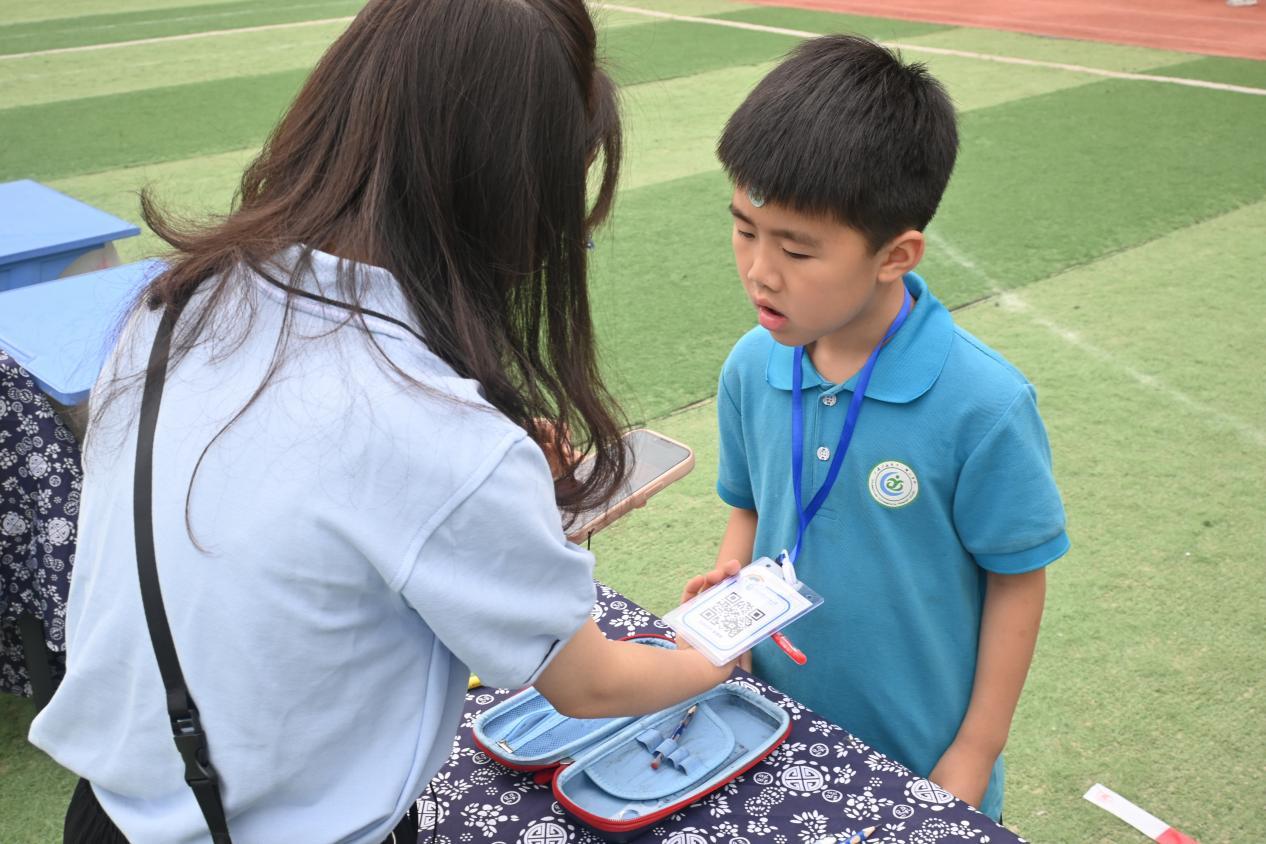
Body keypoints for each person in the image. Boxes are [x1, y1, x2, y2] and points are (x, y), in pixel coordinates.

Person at [28, 1, 733, 841]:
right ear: (512, 202)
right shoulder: (435, 431)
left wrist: (495, 496)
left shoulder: (176, 305)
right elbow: (591, 685)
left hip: (111, 812)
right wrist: (716, 652)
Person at [682, 35, 1069, 823]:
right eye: (745, 229)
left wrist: (973, 752)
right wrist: (731, 580)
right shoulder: (752, 366)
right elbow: (750, 506)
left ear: (896, 254)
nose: (760, 269)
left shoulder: (983, 405)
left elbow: (1017, 580)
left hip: (919, 761)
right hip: (767, 729)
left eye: (796, 248)